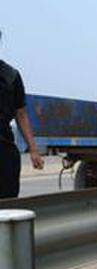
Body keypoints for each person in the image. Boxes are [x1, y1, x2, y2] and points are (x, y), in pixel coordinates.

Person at [0, 32, 44, 199]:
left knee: (8, 200)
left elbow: (21, 113)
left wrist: (33, 150)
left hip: (4, 146)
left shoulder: (11, 76)